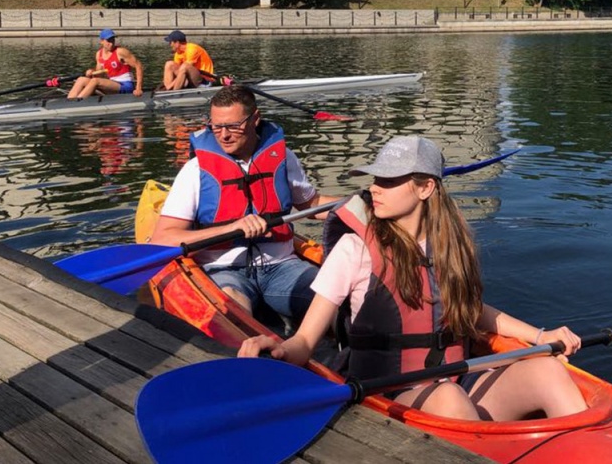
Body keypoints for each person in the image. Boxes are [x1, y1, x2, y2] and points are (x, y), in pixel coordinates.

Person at [239, 136, 588, 421]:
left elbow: (470, 310)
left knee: (548, 372)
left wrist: (543, 335)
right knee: (449, 399)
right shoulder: (354, 249)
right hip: (387, 389)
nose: (375, 189)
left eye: (389, 181)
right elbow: (305, 341)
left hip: (454, 379)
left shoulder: (451, 245)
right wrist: (281, 350)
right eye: (376, 179)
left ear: (425, 189)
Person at [149, 85, 338, 322]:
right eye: (216, 127)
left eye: (233, 126)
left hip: (282, 267)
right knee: (234, 313)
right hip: (223, 271)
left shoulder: (283, 157)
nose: (224, 135)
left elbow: (312, 204)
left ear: (255, 119)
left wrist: (359, 200)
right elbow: (162, 239)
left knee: (337, 301)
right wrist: (232, 228)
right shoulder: (195, 170)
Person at [67, 29, 144, 99]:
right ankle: (69, 102)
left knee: (95, 81)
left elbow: (139, 66)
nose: (111, 43)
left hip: (126, 85)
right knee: (81, 79)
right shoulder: (99, 54)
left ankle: (78, 103)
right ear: (101, 41)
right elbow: (98, 75)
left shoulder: (120, 51)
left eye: (112, 40)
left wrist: (138, 88)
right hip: (112, 84)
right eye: (108, 41)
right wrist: (91, 72)